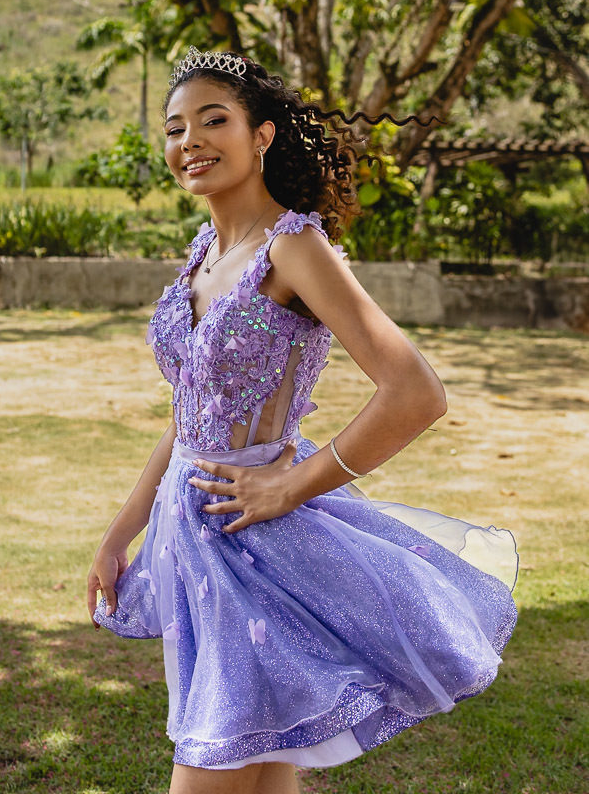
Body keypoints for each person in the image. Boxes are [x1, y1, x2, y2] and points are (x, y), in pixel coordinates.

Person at [87, 46, 519, 794]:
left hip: (257, 545)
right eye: (174, 128)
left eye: (213, 120)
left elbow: (414, 392)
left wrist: (289, 488)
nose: (190, 141)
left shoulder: (293, 245)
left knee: (215, 766)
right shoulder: (203, 252)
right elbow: (192, 416)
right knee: (264, 776)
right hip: (197, 548)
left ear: (262, 135)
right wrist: (122, 532)